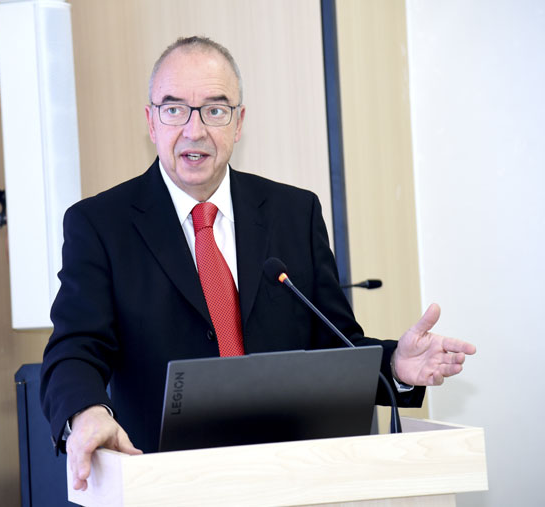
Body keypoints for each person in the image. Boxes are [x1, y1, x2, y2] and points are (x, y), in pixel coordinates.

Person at [40, 36, 476, 492]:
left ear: (239, 122)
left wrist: (395, 365)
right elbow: (74, 348)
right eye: (174, 109)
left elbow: (335, 349)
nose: (194, 130)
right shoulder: (101, 225)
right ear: (151, 121)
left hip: (293, 480)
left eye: (215, 110)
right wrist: (86, 412)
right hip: (165, 483)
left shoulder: (294, 213)